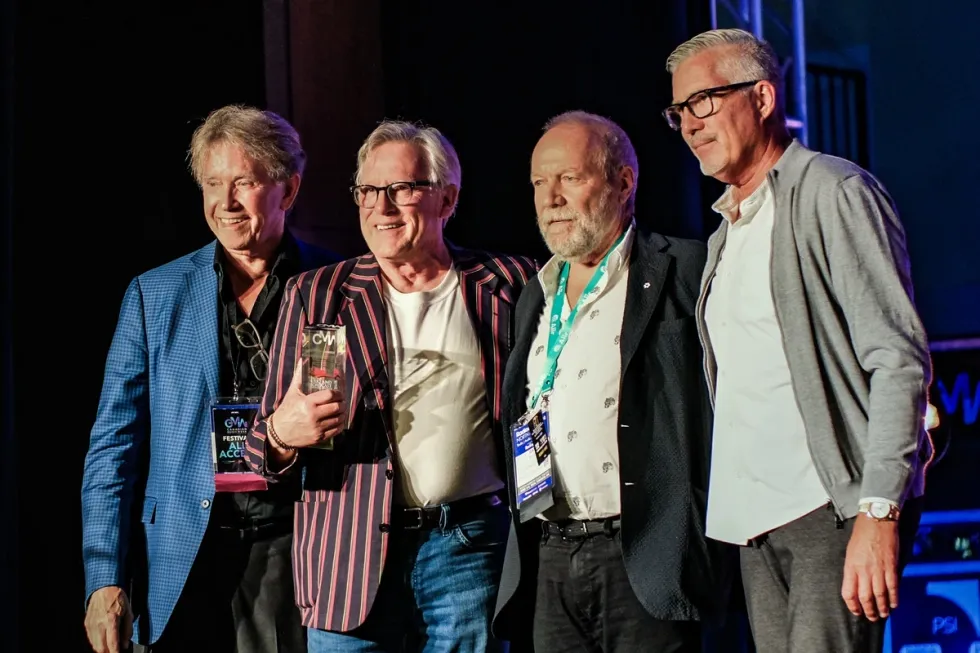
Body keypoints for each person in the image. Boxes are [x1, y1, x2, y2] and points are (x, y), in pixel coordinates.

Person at [663, 28, 932, 652]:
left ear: (761, 97)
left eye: (703, 101)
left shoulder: (833, 193)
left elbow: (897, 359)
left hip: (829, 510)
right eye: (679, 112)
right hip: (756, 522)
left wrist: (878, 510)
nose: (689, 125)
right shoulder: (726, 230)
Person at [243, 119, 539, 652]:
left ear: (447, 199)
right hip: (345, 559)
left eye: (401, 189)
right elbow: (259, 453)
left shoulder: (508, 283)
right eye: (368, 192)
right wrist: (284, 435)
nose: (381, 208)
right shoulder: (318, 295)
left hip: (467, 552)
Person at [82, 104, 338, 653]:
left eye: (244, 182)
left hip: (294, 548)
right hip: (179, 555)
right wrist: (104, 576)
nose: (226, 204)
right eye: (213, 184)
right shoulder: (155, 294)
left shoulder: (335, 286)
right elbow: (112, 447)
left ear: (288, 191)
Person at [492, 111, 729, 653]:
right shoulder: (535, 294)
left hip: (649, 552)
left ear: (624, 182)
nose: (550, 198)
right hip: (550, 553)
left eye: (569, 179)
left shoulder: (686, 269)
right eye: (538, 183)